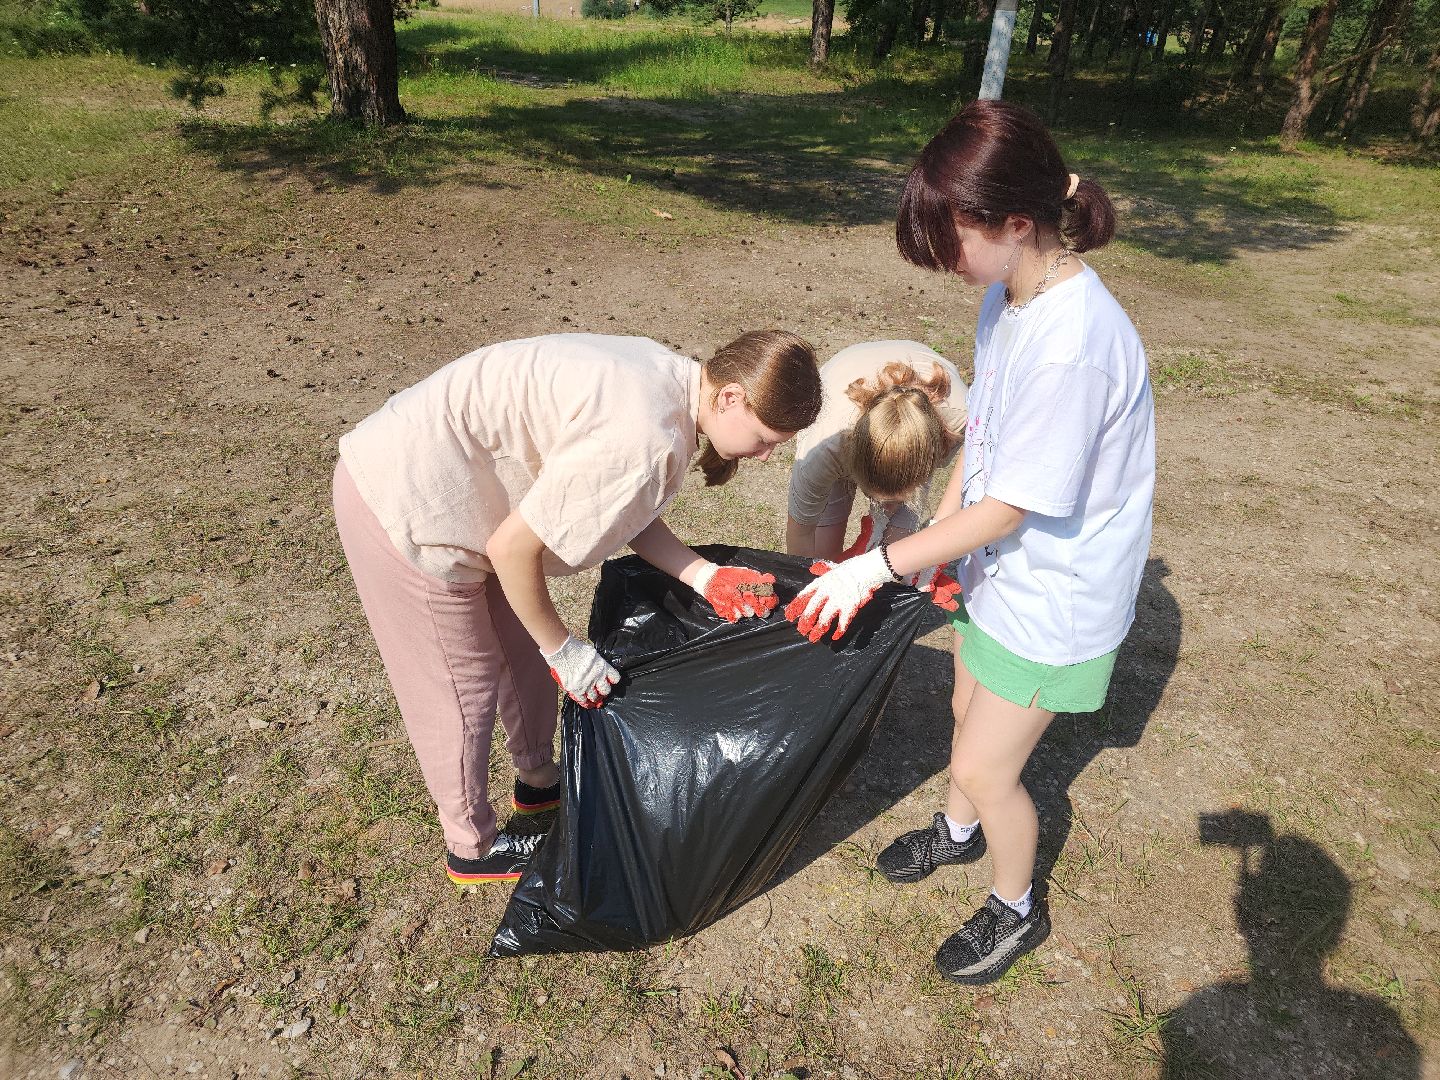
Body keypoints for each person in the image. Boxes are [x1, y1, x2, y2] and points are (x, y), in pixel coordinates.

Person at [785, 100, 1156, 985]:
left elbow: (1014, 507)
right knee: (961, 718)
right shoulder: (1010, 295)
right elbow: (982, 443)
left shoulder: (1076, 345)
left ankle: (1014, 905)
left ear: (1016, 222)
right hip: (999, 577)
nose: (946, 263)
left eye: (951, 241)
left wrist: (879, 565)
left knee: (988, 770)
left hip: (1055, 595)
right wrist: (941, 548)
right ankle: (954, 835)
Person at [334, 331, 823, 886]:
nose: (764, 456)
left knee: (520, 653)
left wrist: (702, 575)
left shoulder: (675, 385)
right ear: (732, 397)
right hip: (404, 500)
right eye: (764, 440)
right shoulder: (643, 434)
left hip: (473, 499)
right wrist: (565, 650)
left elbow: (621, 503)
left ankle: (538, 781)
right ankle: (472, 844)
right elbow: (514, 549)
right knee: (459, 683)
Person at [785, 340, 967, 564]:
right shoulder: (823, 450)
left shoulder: (958, 417)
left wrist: (939, 529)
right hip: (844, 376)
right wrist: (803, 580)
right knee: (824, 549)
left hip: (925, 425)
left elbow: (975, 457)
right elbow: (801, 533)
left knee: (898, 548)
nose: (887, 506)